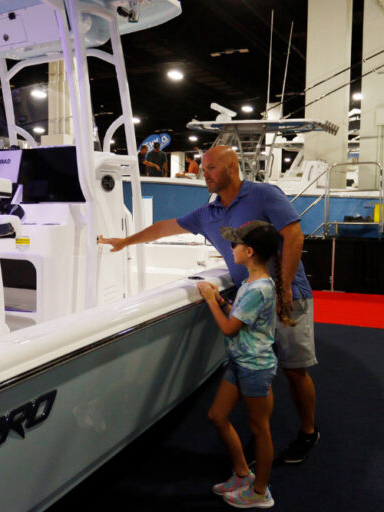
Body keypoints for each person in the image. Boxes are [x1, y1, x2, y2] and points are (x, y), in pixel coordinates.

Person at [98, 145, 320, 465]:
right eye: (203, 169)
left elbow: (295, 237)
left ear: (231, 167)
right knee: (257, 371)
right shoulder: (207, 214)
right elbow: (164, 227)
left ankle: (308, 432)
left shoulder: (264, 195)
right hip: (251, 301)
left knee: (295, 371)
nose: (205, 175)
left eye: (211, 168)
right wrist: (125, 241)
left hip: (290, 296)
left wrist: (282, 290)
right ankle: (261, 435)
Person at [197, 220, 292, 509]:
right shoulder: (252, 283)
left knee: (260, 428)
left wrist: (209, 299)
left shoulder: (258, 288)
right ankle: (241, 473)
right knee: (217, 415)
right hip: (240, 361)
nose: (231, 248)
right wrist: (221, 301)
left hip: (255, 367)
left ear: (249, 252)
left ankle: (260, 491)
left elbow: (229, 329)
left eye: (235, 244)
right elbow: (240, 319)